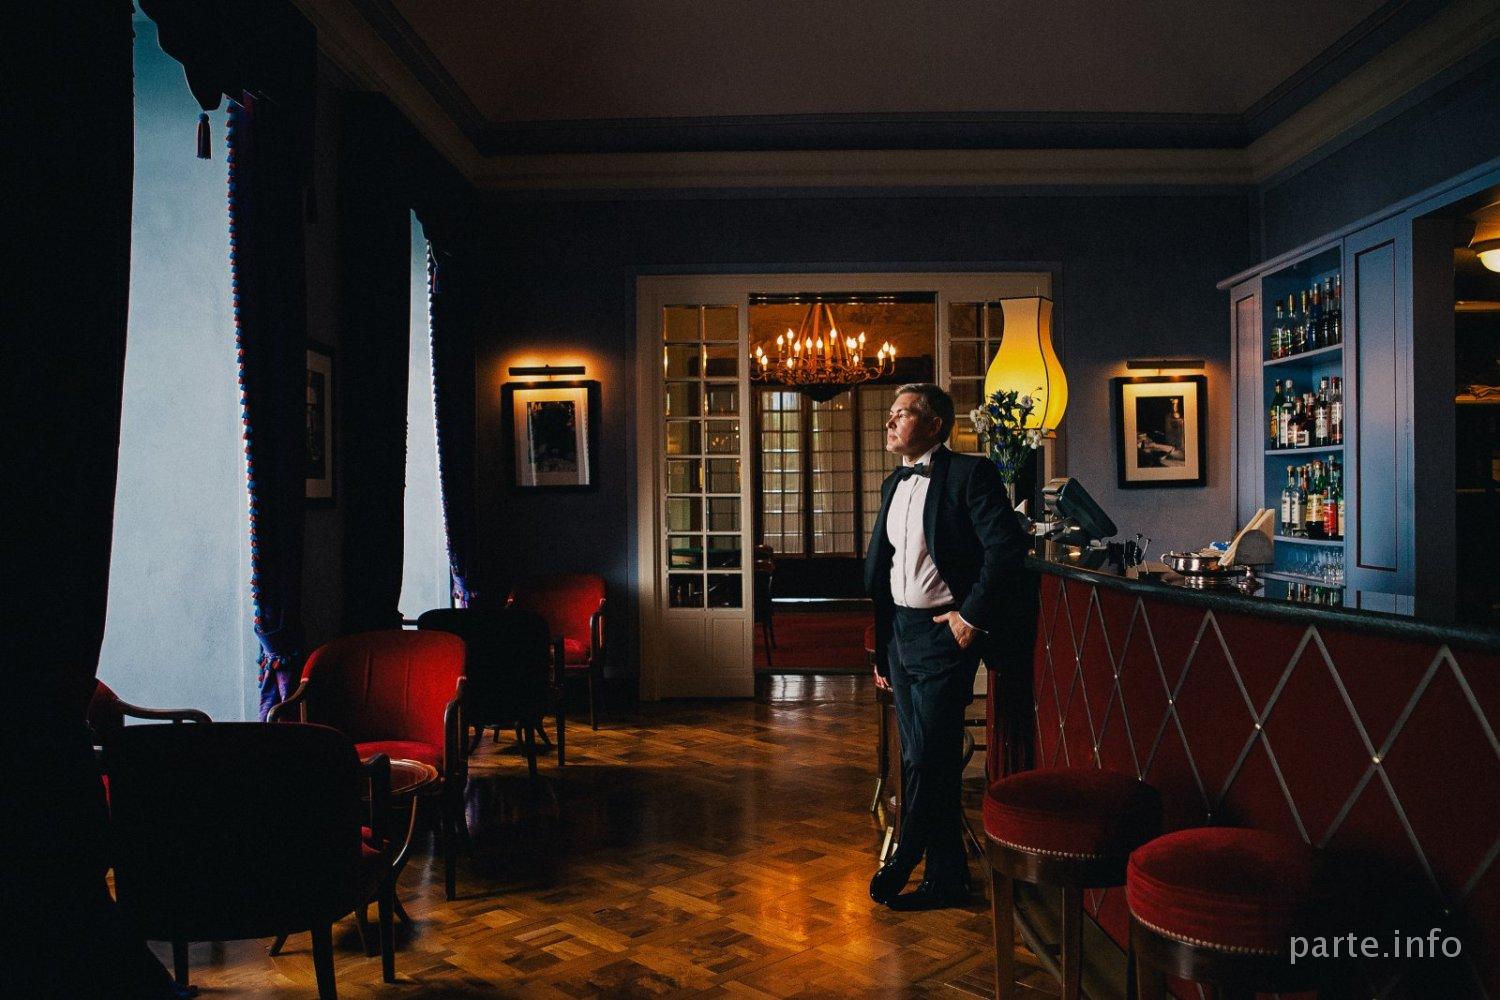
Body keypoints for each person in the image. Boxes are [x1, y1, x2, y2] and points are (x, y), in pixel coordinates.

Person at [865, 383, 1030, 911]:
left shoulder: (969, 474)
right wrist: (883, 646)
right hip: (902, 635)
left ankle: (906, 854)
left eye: (902, 414)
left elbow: (1006, 548)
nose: (890, 422)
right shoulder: (893, 482)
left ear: (935, 424)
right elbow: (887, 568)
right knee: (920, 755)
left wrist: (970, 619)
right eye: (890, 414)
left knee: (930, 757)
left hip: (945, 634)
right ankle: (948, 878)